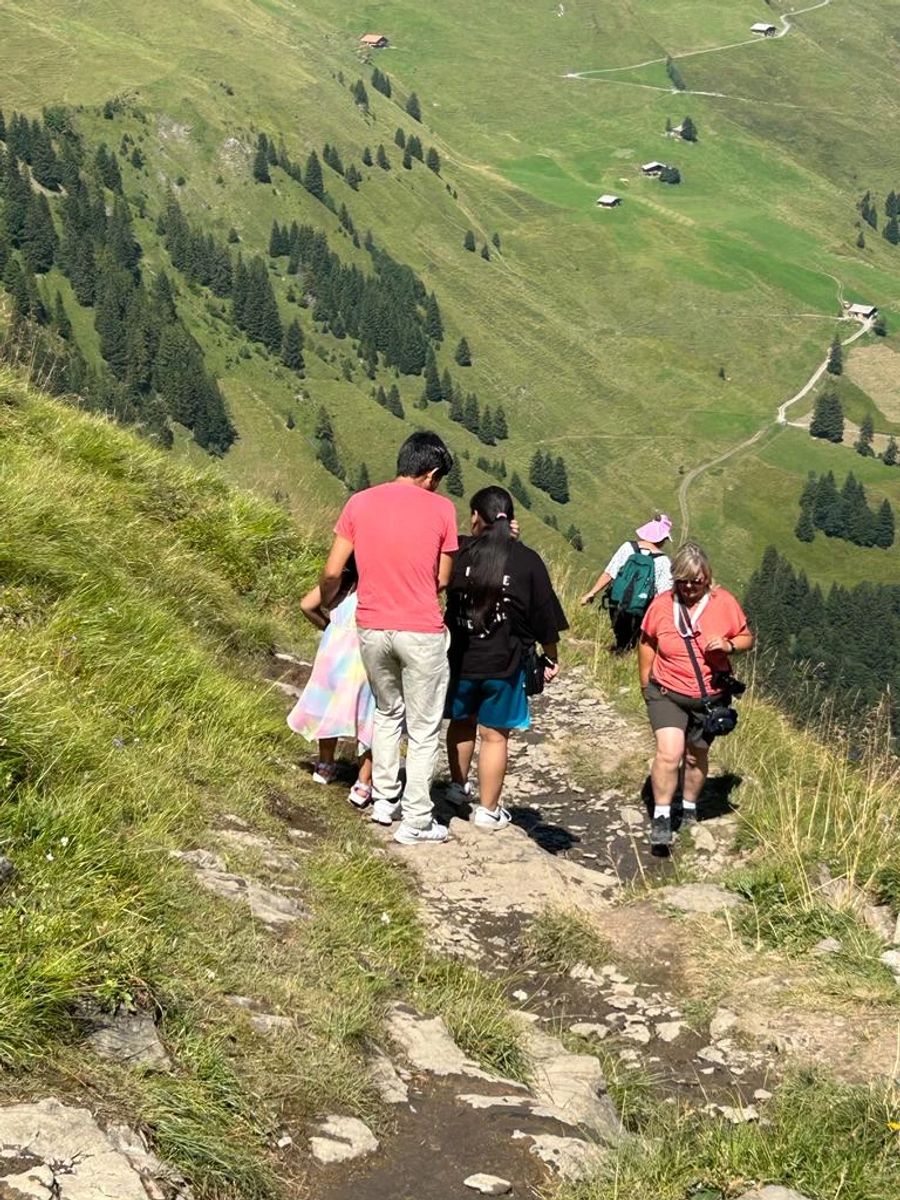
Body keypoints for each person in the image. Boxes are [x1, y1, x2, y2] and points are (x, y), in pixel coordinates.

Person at [320, 432, 458, 846]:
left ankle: (383, 799)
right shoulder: (442, 509)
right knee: (424, 726)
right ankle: (417, 818)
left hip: (371, 625)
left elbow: (332, 571)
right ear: (430, 474)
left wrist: (329, 605)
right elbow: (443, 578)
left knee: (386, 712)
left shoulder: (359, 502)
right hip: (419, 627)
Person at [444, 486, 567, 830]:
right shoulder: (527, 560)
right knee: (495, 735)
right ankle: (488, 810)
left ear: (475, 518)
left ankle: (457, 788)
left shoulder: (461, 551)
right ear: (511, 519)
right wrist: (551, 657)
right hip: (506, 662)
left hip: (460, 658)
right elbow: (545, 614)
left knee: (462, 721)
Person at [638, 541, 754, 849]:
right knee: (669, 752)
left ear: (707, 578)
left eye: (696, 582)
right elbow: (647, 641)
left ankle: (689, 808)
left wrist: (729, 646)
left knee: (695, 755)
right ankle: (662, 818)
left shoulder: (724, 603)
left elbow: (746, 638)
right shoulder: (662, 606)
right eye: (683, 581)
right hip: (667, 692)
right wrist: (645, 682)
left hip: (709, 698)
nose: (689, 588)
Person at [287, 556, 375, 806]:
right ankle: (363, 783)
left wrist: (327, 626)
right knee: (367, 717)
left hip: (333, 654)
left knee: (327, 708)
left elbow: (306, 605)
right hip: (364, 655)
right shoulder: (379, 586)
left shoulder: (341, 583)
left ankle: (325, 765)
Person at [580, 514, 674, 652]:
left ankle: (617, 652)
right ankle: (622, 657)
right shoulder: (663, 561)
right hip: (641, 609)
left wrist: (591, 593)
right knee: (633, 644)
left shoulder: (628, 547)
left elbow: (610, 573)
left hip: (616, 603)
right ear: (662, 538)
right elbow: (664, 594)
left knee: (620, 638)